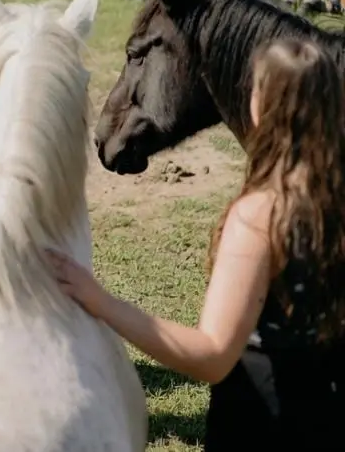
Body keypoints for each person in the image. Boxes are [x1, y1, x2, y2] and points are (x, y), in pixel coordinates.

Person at [46, 38, 345, 450]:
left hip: (264, 424)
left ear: (262, 108)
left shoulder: (261, 216)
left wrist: (101, 303)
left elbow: (212, 354)